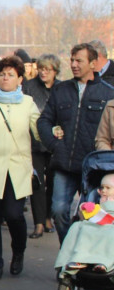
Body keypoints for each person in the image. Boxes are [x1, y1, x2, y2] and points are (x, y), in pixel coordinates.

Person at [38, 43, 114, 243]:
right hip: (64, 164)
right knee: (59, 211)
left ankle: (85, 258)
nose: (73, 64)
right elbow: (44, 120)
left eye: (79, 60)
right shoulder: (61, 90)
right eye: (71, 60)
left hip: (94, 168)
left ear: (93, 63)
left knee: (95, 215)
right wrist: (54, 144)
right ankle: (67, 251)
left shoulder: (108, 94)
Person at [0, 56, 40, 281]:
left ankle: (18, 252)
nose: (5, 78)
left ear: (20, 79)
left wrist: (54, 132)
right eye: (2, 74)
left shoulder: (28, 103)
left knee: (14, 215)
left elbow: (39, 129)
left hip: (17, 168)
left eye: (11, 75)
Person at [24, 53, 59, 237]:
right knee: (36, 183)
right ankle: (38, 222)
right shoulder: (29, 87)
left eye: (48, 70)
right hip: (34, 142)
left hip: (55, 143)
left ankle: (47, 217)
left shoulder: (61, 88)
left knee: (53, 182)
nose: (43, 73)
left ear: (55, 71)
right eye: (41, 69)